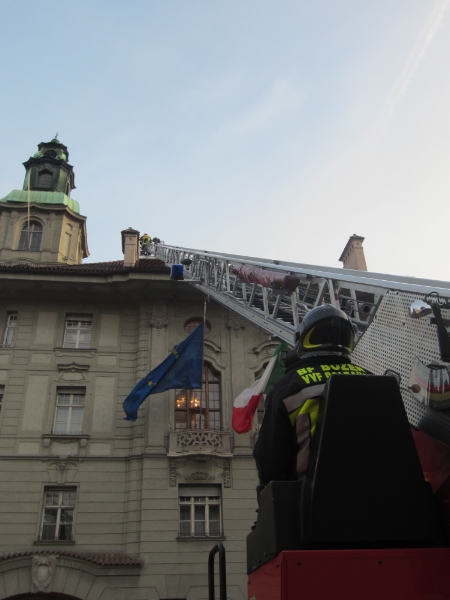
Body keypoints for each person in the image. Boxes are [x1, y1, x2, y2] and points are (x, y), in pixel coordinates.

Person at [253, 304, 370, 488]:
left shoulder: (288, 386)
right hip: (375, 494)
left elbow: (270, 461)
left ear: (303, 338)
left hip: (314, 498)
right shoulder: (371, 378)